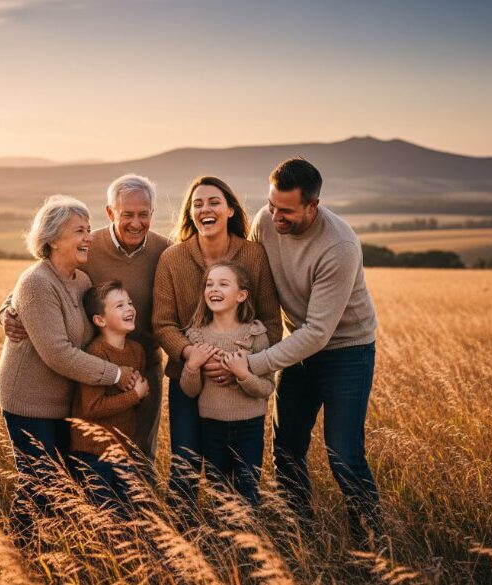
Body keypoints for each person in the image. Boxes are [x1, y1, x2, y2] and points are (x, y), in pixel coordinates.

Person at [245, 158, 383, 544]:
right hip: (296, 345)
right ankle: (298, 532)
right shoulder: (263, 222)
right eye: (272, 205)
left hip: (346, 351)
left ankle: (371, 542)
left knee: (343, 454)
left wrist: (255, 364)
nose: (275, 216)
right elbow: (257, 286)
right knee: (286, 446)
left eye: (286, 210)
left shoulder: (338, 246)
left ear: (313, 206)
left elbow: (320, 333)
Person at [0, 195, 140, 544]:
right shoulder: (36, 282)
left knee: (61, 485)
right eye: (79, 230)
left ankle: (50, 551)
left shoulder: (81, 281)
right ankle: (18, 554)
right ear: (52, 238)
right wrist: (116, 376)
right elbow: (58, 354)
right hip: (29, 402)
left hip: (65, 402)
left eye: (89, 229)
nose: (89, 237)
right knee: (40, 483)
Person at [2, 175, 170, 459]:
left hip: (140, 366)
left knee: (138, 455)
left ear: (152, 214)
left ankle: (139, 504)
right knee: (87, 459)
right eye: (127, 214)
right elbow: (34, 285)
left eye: (144, 214)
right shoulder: (87, 250)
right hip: (87, 375)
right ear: (110, 212)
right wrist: (7, 311)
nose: (136, 222)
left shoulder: (164, 251)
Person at [152, 176, 282, 506]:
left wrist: (246, 365)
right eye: (197, 204)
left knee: (236, 474)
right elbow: (162, 323)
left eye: (213, 202)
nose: (205, 209)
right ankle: (179, 543)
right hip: (188, 377)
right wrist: (191, 355)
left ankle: (236, 539)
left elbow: (269, 320)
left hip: (240, 385)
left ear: (229, 210)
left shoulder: (254, 255)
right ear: (189, 213)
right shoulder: (172, 258)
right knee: (185, 466)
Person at [179, 262, 274, 505]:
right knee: (218, 492)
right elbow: (190, 390)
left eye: (223, 284)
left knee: (247, 490)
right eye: (209, 284)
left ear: (241, 295)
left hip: (249, 427)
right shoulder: (196, 335)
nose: (214, 289)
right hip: (211, 427)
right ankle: (222, 542)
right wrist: (192, 365)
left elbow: (266, 388)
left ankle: (248, 540)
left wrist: (243, 375)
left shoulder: (254, 334)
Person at [69, 281, 150, 517]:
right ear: (100, 320)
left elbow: (140, 394)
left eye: (130, 303)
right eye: (119, 305)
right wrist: (133, 395)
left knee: (130, 513)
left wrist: (142, 393)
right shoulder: (96, 352)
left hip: (123, 449)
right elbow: (92, 407)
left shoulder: (136, 350)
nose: (130, 308)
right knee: (103, 515)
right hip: (94, 452)